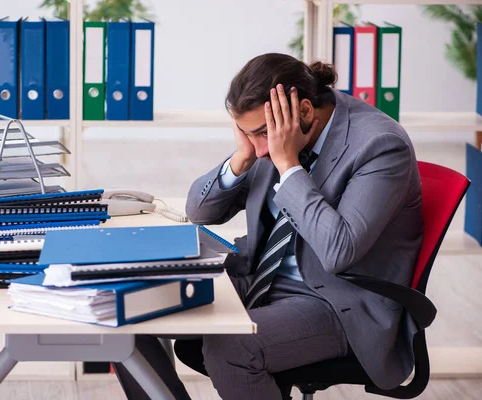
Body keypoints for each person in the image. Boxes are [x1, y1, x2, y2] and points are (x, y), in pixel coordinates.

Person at [112, 53, 423, 400]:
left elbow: (339, 253)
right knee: (131, 300)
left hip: (337, 301)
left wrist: (288, 165)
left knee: (233, 348)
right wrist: (241, 155)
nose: (262, 149)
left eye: (262, 134)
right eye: (248, 133)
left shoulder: (380, 145)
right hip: (259, 276)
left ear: (304, 111)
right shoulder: (264, 141)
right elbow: (199, 211)